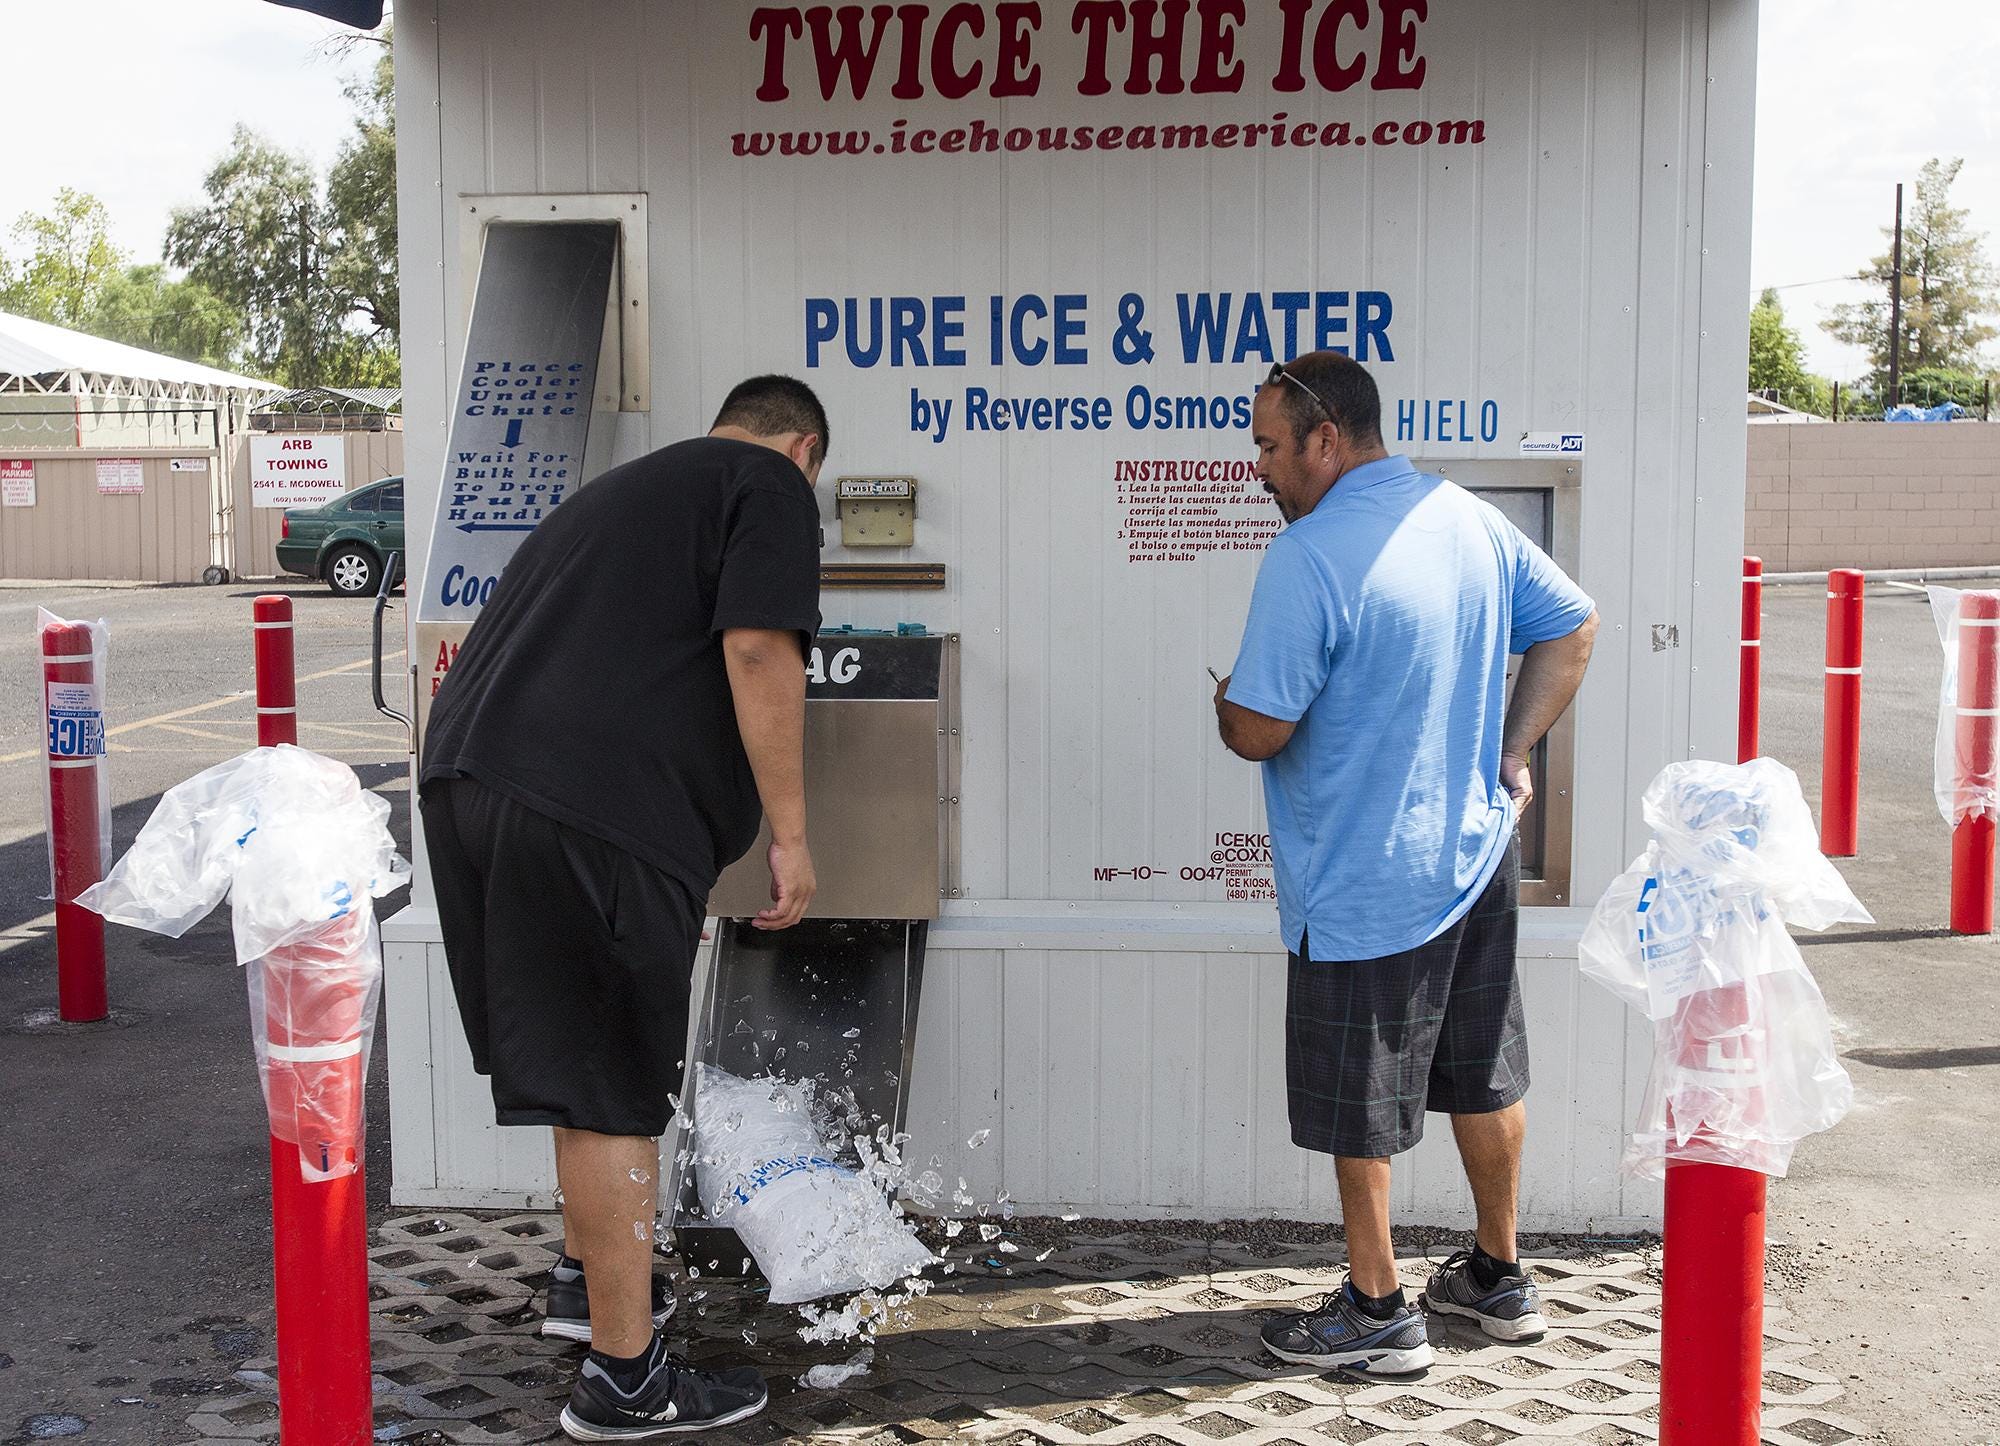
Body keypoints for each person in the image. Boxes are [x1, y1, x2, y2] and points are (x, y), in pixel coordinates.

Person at [419, 375, 829, 1438]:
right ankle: (624, 1380)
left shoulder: (627, 493)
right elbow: (756, 648)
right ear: (802, 450)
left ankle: (587, 1286)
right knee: (610, 1088)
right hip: (586, 807)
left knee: (577, 1059)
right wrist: (788, 833)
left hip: (470, 784)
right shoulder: (767, 484)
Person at [1214, 353, 1597, 1375]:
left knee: (1359, 1098)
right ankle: (1495, 1279)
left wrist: (1223, 699)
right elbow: (1572, 624)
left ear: (1324, 438)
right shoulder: (1463, 519)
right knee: (1482, 1070)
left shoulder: (1307, 556)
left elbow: (1257, 729)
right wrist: (1512, 751)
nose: (1256, 465)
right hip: (1472, 857)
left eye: (1265, 444)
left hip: (1361, 878)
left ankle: (1377, 1309)